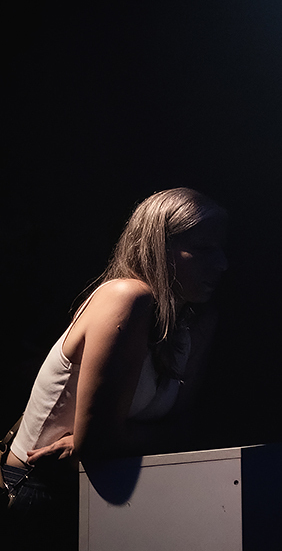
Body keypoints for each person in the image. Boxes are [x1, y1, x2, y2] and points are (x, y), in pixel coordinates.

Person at [1, 187, 228, 549]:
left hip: (109, 489)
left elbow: (185, 430)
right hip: (35, 492)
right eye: (203, 249)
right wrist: (113, 440)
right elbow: (101, 444)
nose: (222, 264)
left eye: (221, 249)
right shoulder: (126, 297)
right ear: (159, 247)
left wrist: (108, 439)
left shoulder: (197, 321)